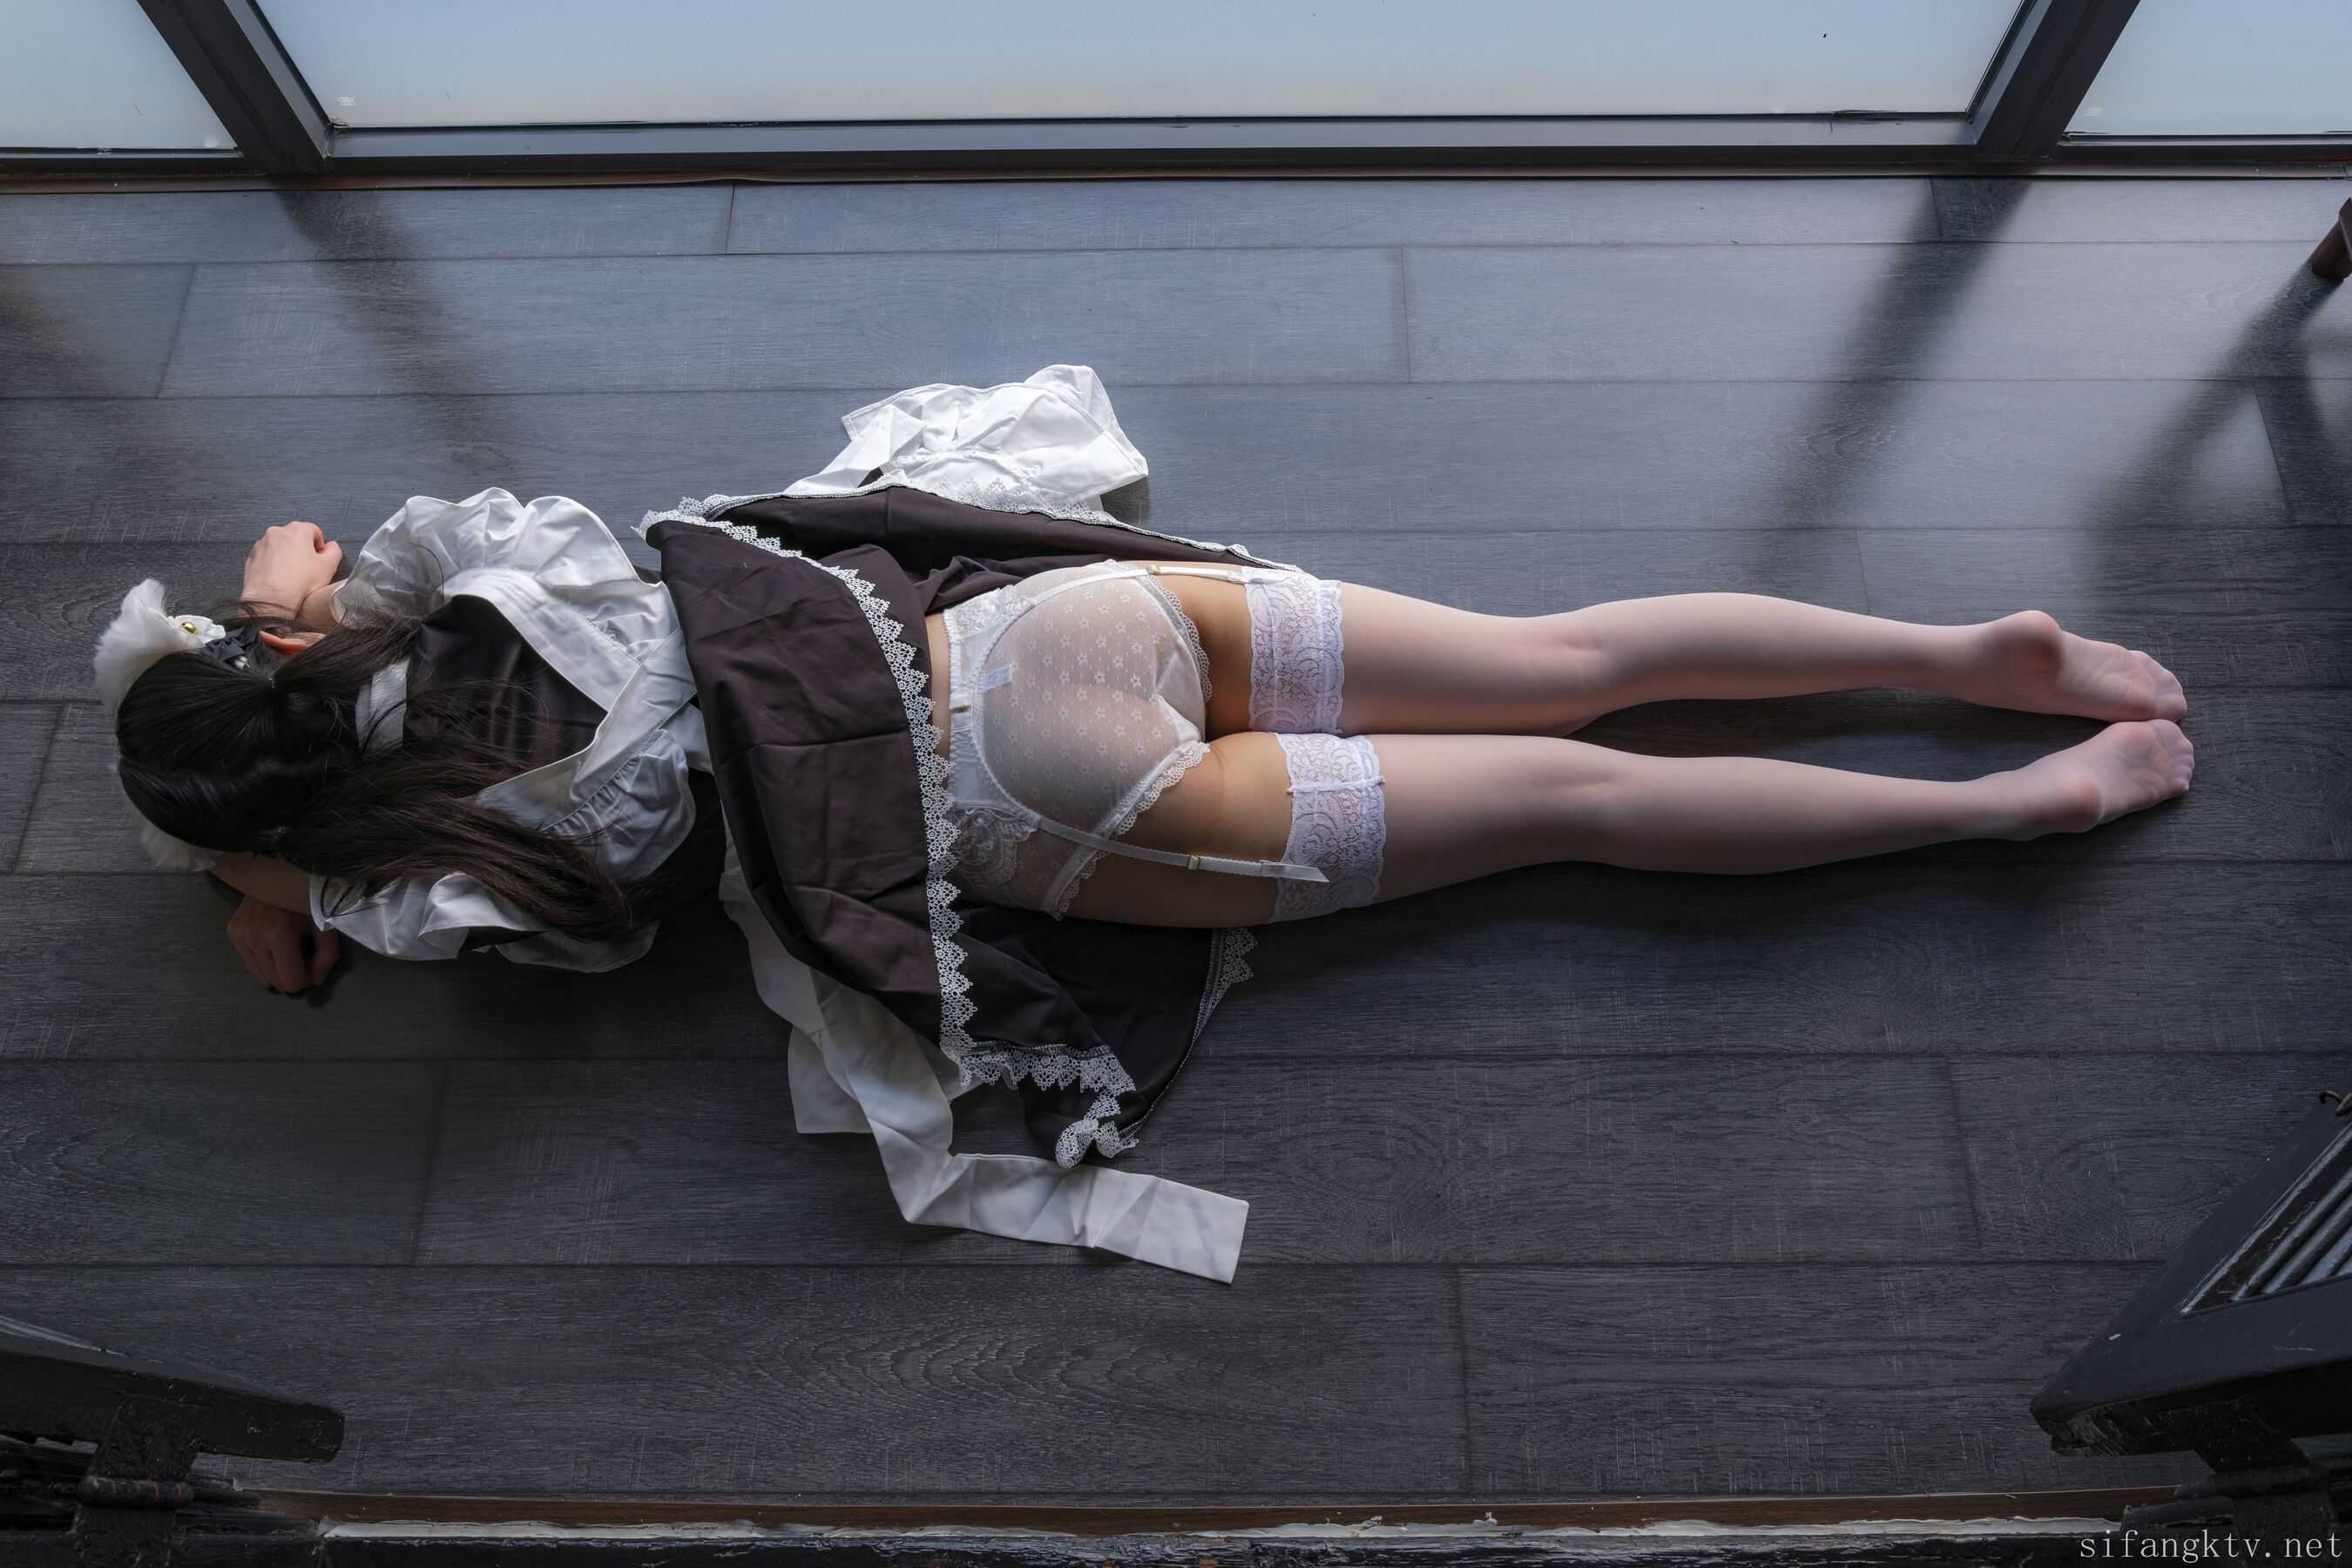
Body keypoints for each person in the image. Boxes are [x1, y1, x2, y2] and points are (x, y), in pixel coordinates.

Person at [96, 366, 2191, 1281]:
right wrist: (299, 616)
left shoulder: (460, 879)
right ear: (280, 660)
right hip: (1040, 633)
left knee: (1575, 806)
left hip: (1049, 810)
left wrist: (271, 887)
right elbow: (441, 535)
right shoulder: (496, 585)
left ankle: (2008, 812)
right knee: (1563, 662)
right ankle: (1967, 648)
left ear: (291, 823)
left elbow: (575, 938)